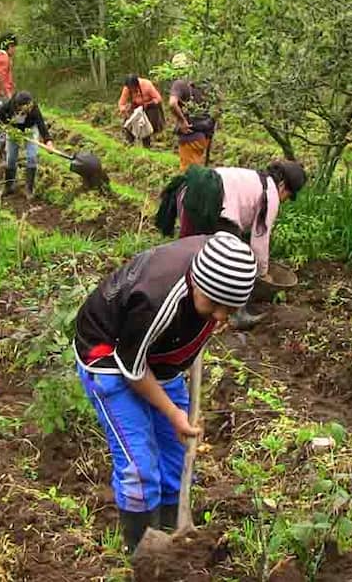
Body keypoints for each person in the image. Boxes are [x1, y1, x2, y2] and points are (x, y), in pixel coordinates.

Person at [73, 231, 257, 553]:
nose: (220, 316)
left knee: (176, 453)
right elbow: (133, 371)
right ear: (197, 283)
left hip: (159, 355)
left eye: (229, 309)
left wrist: (175, 415)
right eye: (214, 305)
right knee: (140, 468)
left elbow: (212, 304)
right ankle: (142, 553)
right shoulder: (155, 300)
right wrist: (172, 412)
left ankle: (173, 534)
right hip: (109, 354)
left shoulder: (220, 262)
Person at [154, 161, 307, 328]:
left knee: (192, 248)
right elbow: (260, 239)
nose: (285, 200)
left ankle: (176, 296)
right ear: (282, 185)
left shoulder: (255, 178)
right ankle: (237, 315)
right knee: (234, 259)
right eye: (288, 196)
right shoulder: (271, 194)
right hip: (210, 199)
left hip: (191, 190)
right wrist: (263, 273)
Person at [0, 91, 54, 196]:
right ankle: (8, 186)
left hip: (30, 129)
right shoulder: (11, 104)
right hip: (13, 130)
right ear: (18, 106)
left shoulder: (34, 108)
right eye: (25, 107)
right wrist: (8, 125)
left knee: (32, 157)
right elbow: (0, 113)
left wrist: (48, 141)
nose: (28, 109)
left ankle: (29, 189)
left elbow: (41, 124)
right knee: (11, 157)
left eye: (29, 107)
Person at [168, 54, 216, 171]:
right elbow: (217, 104)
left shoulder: (179, 84)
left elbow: (172, 103)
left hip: (190, 135)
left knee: (189, 174)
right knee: (199, 169)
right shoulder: (202, 84)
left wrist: (182, 121)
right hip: (204, 135)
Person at [118, 74, 165, 147]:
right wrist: (124, 110)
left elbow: (158, 99)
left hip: (149, 106)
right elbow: (121, 103)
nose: (132, 90)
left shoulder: (147, 85)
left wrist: (148, 104)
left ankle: (147, 144)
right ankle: (129, 142)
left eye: (133, 88)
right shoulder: (127, 88)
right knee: (129, 122)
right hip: (136, 106)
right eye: (130, 88)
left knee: (147, 123)